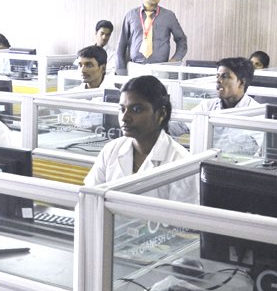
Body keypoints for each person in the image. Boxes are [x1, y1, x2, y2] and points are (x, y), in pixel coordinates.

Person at [84, 75, 197, 204]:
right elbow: (89, 198)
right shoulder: (110, 151)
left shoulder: (180, 162)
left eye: (136, 109)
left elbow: (184, 220)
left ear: (161, 113)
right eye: (122, 109)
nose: (124, 117)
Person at [168, 57, 263, 156]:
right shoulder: (207, 106)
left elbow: (250, 152)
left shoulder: (257, 113)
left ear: (242, 82)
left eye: (225, 76)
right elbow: (182, 126)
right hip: (202, 163)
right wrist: (160, 126)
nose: (218, 80)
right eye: (218, 76)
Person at [116, 0, 188, 76]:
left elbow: (181, 40)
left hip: (160, 69)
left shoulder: (169, 16)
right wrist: (121, 70)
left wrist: (174, 60)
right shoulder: (131, 15)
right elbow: (121, 45)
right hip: (135, 68)